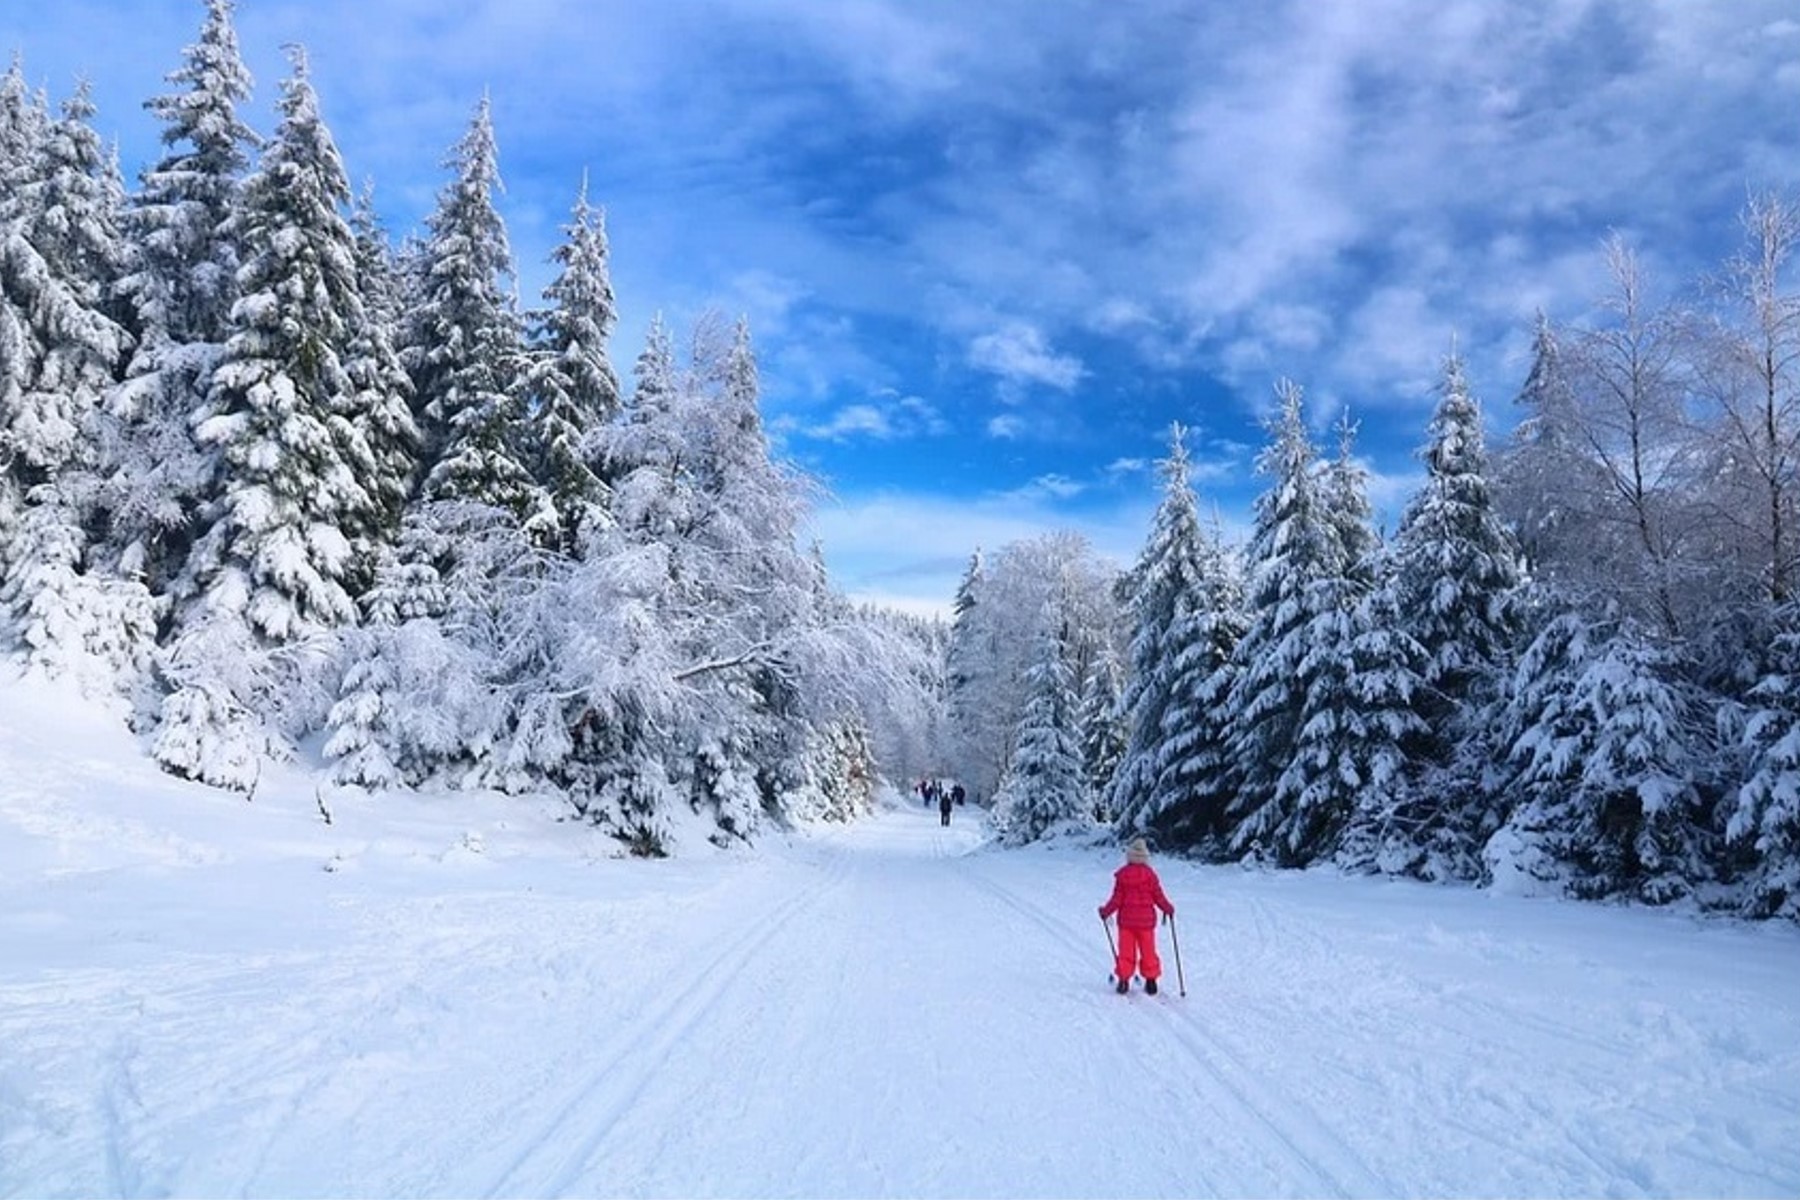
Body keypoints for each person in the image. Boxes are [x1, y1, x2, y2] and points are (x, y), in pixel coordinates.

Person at [1098, 837, 1175, 994]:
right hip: (1146, 923)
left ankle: (1124, 981)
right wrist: (1168, 908)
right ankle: (1151, 981)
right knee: (1148, 951)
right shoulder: (1151, 876)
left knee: (1126, 952)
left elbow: (1116, 899)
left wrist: (1106, 911)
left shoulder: (1123, 876)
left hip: (1126, 922)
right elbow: (1158, 896)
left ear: (1130, 857)